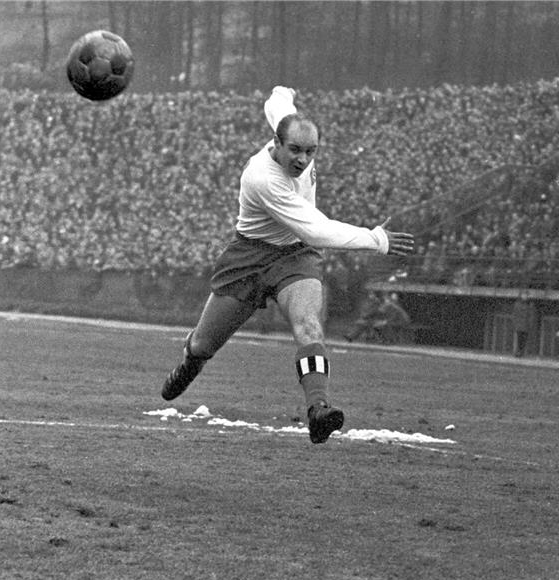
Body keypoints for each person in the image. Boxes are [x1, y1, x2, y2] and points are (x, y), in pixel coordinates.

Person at [160, 86, 414, 444]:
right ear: (276, 143)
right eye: (295, 150)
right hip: (249, 257)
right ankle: (190, 362)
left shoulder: (287, 127)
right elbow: (316, 229)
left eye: (311, 151)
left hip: (295, 255)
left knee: (308, 324)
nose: (302, 159)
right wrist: (376, 240)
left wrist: (283, 92)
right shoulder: (263, 178)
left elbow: (276, 103)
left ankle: (318, 409)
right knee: (203, 344)